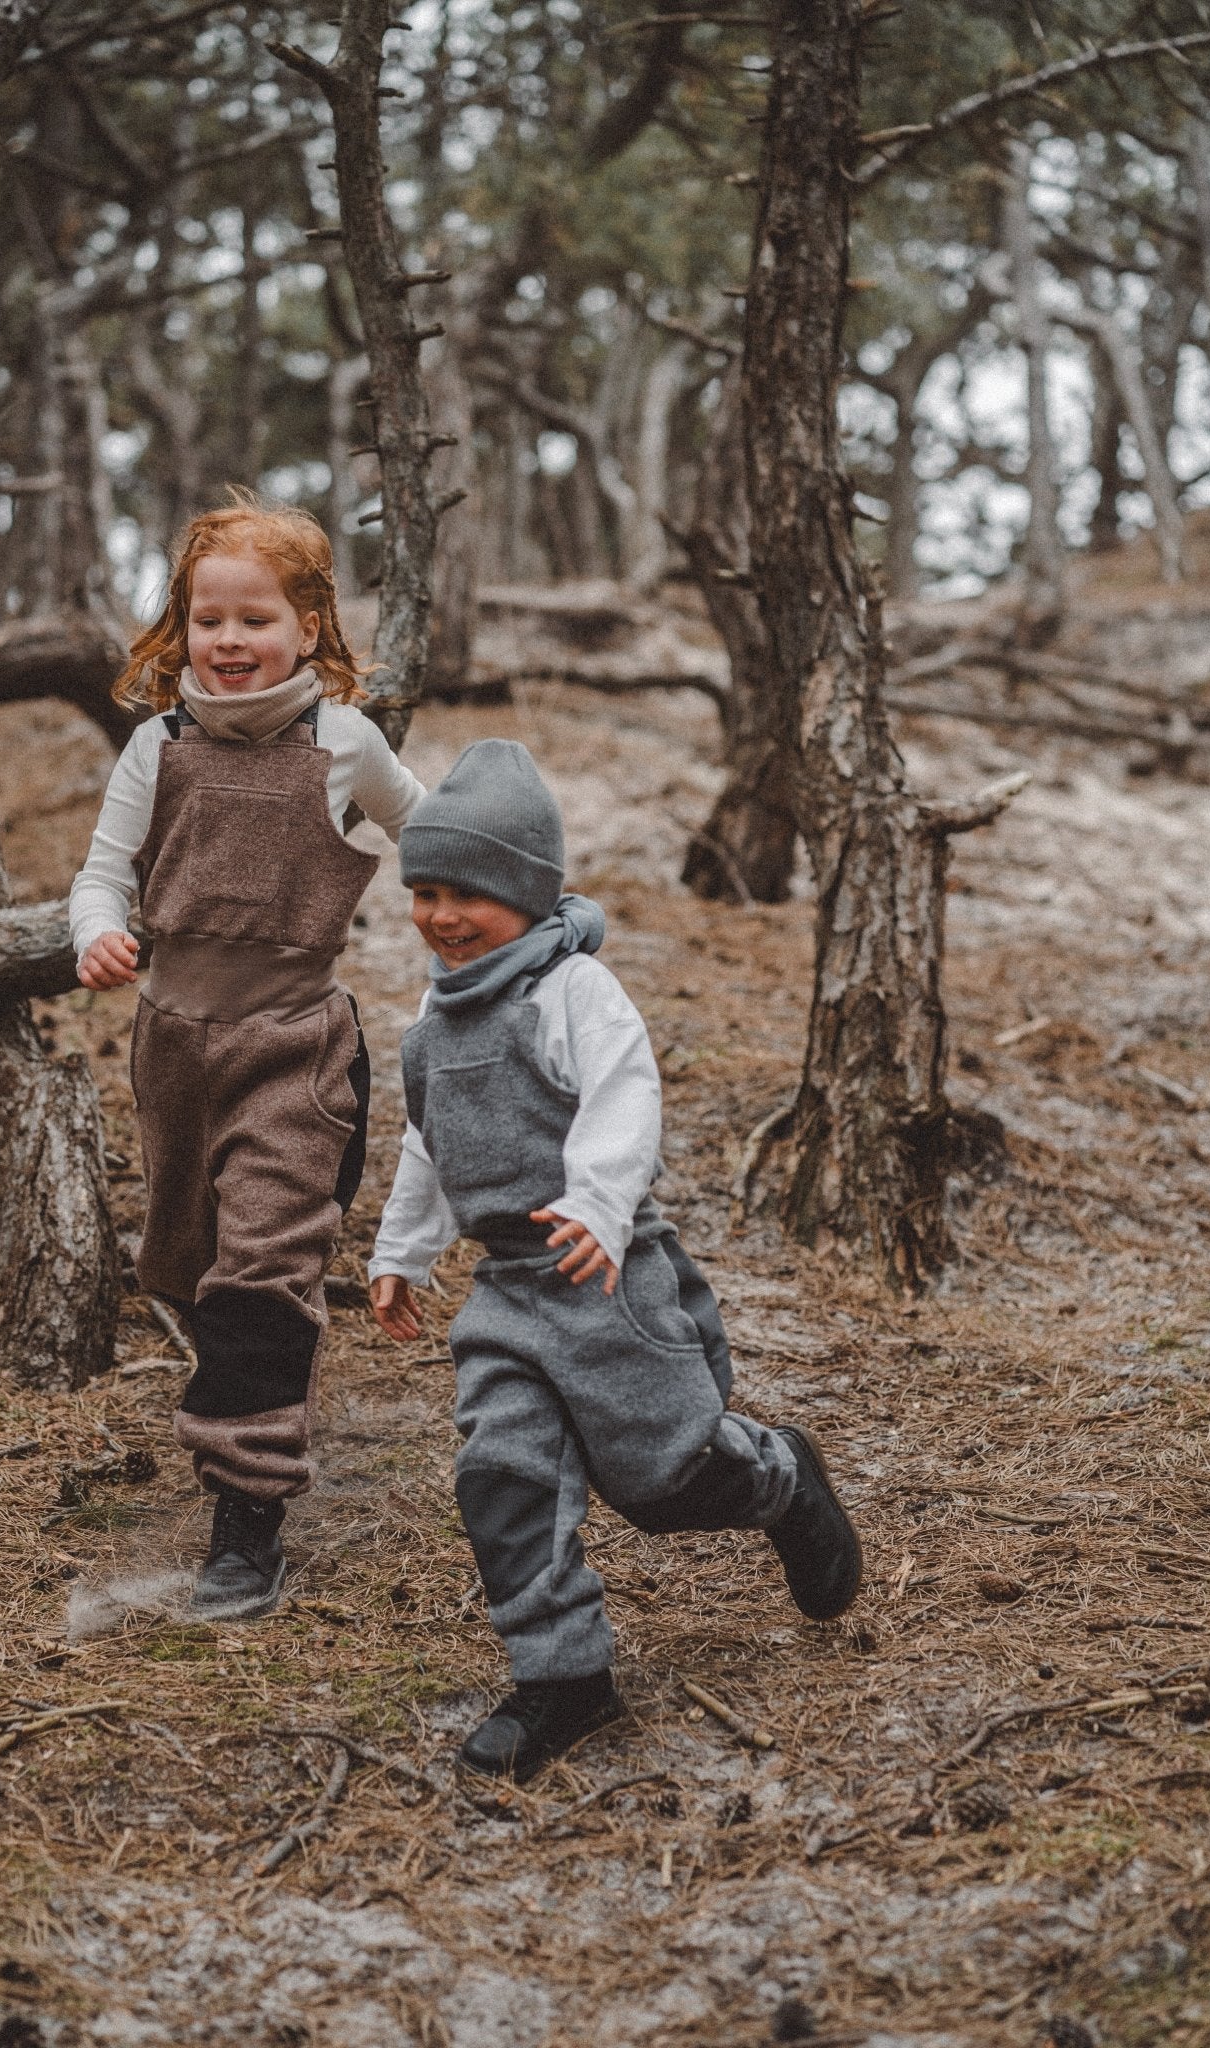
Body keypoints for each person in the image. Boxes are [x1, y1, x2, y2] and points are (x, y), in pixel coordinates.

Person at [369, 739, 863, 1783]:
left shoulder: (572, 988)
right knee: (501, 1472)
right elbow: (428, 1138)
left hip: (603, 1276)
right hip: (507, 1288)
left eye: (468, 891)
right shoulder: (435, 1013)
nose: (441, 914)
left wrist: (595, 1200)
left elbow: (625, 1097)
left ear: (528, 890)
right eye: (424, 890)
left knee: (664, 1479)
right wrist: (402, 1250)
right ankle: (564, 1677)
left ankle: (779, 1478)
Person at [70, 492, 426, 1620]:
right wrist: (96, 932)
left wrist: (526, 900)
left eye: (255, 619)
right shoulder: (156, 745)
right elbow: (100, 873)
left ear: (308, 628)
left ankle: (246, 1523)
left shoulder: (344, 742)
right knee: (188, 1264)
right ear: (183, 629)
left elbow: (435, 829)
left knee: (262, 1275)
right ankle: (246, 1410)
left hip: (295, 1051)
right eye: (208, 619)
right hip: (175, 1052)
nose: (230, 642)